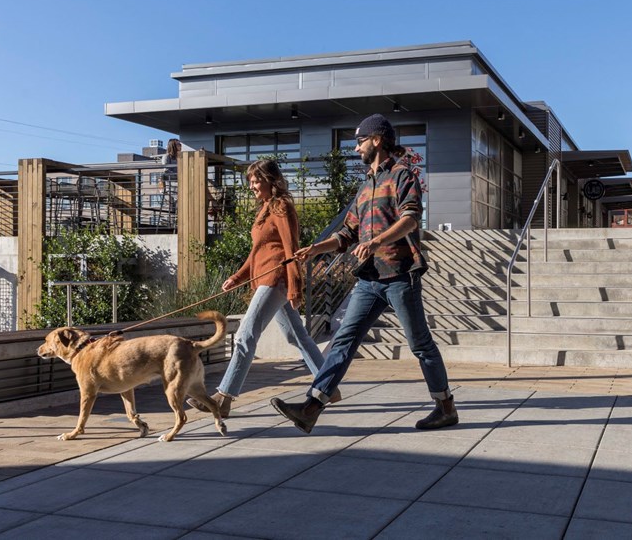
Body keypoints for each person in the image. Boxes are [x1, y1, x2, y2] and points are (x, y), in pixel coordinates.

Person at [271, 113, 458, 433]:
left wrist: (376, 242)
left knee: (420, 344)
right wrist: (316, 249)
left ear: (377, 140)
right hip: (370, 279)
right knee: (343, 340)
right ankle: (312, 407)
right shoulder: (365, 187)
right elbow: (346, 234)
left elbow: (411, 219)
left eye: (359, 141)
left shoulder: (402, 176)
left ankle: (445, 407)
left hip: (400, 273)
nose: (356, 148)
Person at [189, 159, 339, 417]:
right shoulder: (266, 209)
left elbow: (290, 248)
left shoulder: (281, 207)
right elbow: (257, 252)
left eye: (257, 180)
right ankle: (329, 387)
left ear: (272, 180)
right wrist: (238, 277)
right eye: (250, 181)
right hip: (265, 279)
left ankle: (223, 398)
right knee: (297, 337)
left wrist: (295, 286)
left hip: (276, 279)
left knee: (246, 335)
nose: (252, 186)